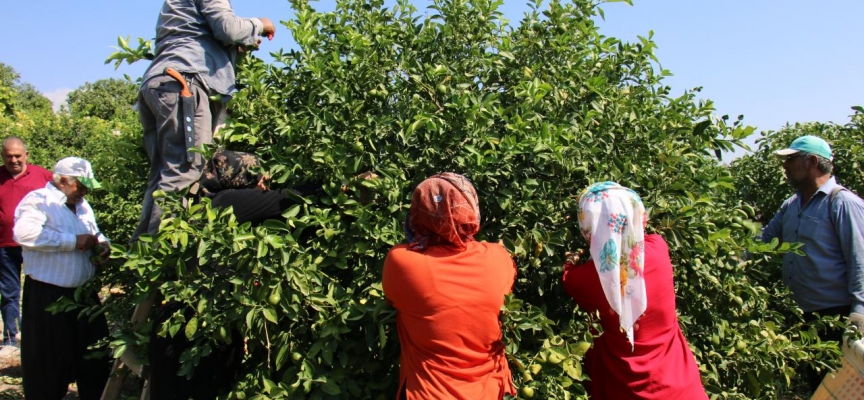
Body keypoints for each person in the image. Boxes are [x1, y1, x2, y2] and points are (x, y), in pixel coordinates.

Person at [132, 0, 276, 240]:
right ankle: (166, 253)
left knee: (161, 175)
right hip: (184, 83)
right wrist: (260, 24)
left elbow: (198, 34)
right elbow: (228, 28)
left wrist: (238, 45)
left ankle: (142, 257)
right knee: (186, 170)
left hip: (160, 83)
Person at [562, 182, 707, 399]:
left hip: (621, 390)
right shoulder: (658, 248)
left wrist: (571, 262)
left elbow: (569, 276)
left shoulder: (581, 279)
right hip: (682, 388)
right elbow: (641, 238)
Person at [382, 173, 516, 400]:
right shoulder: (499, 257)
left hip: (427, 393)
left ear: (418, 211)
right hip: (490, 392)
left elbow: (392, 300)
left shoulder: (400, 261)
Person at [761, 135, 864, 392]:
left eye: (791, 159)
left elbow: (859, 259)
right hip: (802, 317)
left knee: (842, 388)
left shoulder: (842, 203)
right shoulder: (791, 205)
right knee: (817, 388)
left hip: (836, 317)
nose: (785, 166)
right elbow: (763, 241)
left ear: (813, 162)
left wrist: (860, 310)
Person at [13, 157, 111, 400]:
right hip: (50, 296)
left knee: (94, 356)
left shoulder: (82, 205)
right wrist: (71, 242)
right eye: (81, 185)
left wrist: (103, 244)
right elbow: (24, 234)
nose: (85, 191)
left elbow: (94, 230)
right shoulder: (39, 201)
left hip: (84, 295)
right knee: (48, 362)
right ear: (64, 180)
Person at [0, 137, 53, 357]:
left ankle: (40, 336)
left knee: (40, 290)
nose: (14, 160)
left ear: (26, 155)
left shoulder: (43, 176)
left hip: (36, 244)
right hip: (4, 245)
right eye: (9, 156)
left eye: (17, 156)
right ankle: (11, 338)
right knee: (10, 292)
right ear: (3, 156)